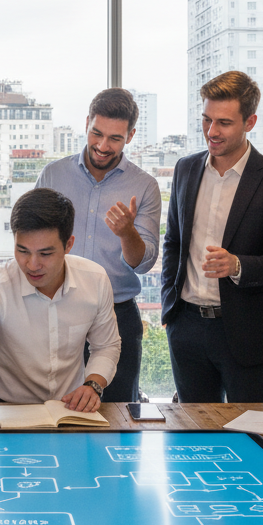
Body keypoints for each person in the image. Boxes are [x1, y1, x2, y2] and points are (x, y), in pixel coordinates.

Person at [0, 188, 120, 438]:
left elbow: (106, 345)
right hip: (7, 411)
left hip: (72, 412)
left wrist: (93, 385)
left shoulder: (95, 280)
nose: (32, 265)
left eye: (45, 253)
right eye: (22, 251)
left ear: (69, 245)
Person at [161, 71, 263, 403]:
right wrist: (170, 308)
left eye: (224, 123)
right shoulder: (185, 169)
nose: (212, 132)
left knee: (249, 436)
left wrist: (237, 265)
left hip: (246, 333)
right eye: (206, 120)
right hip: (187, 327)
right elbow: (173, 243)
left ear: (249, 122)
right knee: (192, 436)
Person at [35, 88, 161, 404]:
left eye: (115, 139)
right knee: (50, 408)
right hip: (55, 310)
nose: (103, 146)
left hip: (117, 315)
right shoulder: (53, 174)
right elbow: (31, 241)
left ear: (130, 135)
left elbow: (143, 263)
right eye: (96, 133)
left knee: (117, 414)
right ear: (87, 122)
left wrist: (127, 232)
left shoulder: (145, 186)